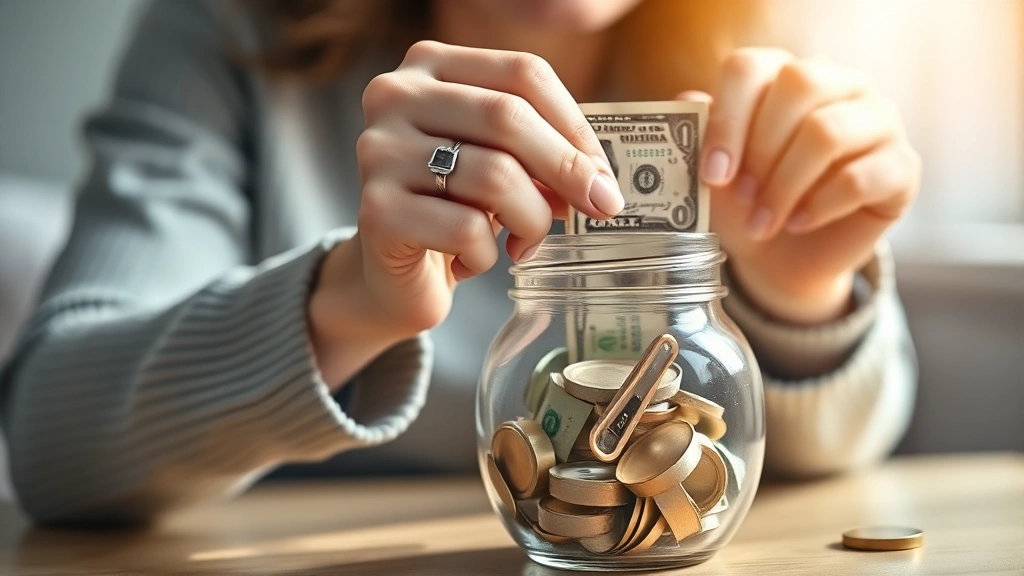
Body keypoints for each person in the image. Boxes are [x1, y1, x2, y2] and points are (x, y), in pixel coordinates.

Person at [0, 0, 920, 525]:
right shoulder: (230, 35)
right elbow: (51, 441)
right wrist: (349, 301)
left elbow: (794, 462)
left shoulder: (737, 63)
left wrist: (794, 299)